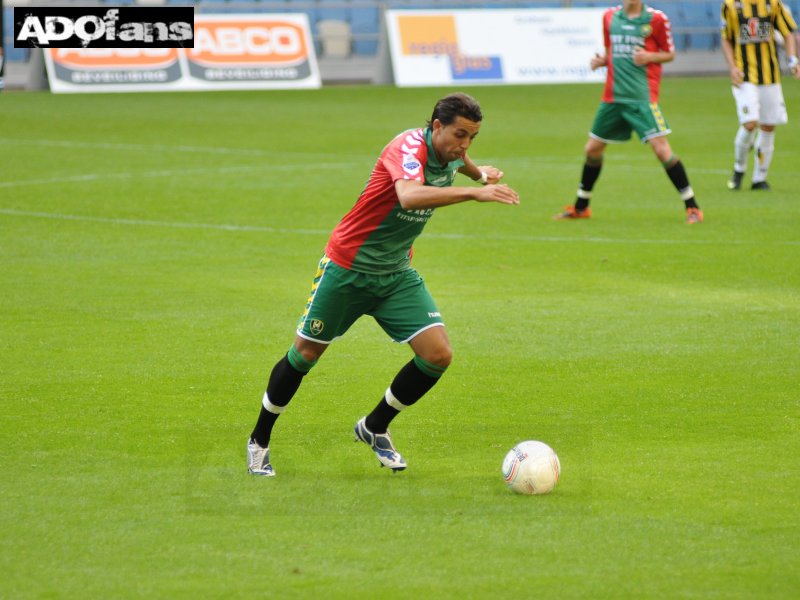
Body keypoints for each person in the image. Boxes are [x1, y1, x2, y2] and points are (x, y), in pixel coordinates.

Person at [247, 93, 520, 477]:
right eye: (460, 134)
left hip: (395, 274)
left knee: (437, 355)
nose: (465, 144)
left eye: (472, 137)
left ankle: (374, 426)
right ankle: (259, 441)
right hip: (347, 268)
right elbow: (408, 196)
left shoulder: (454, 151)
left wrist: (479, 173)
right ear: (436, 126)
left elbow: (459, 160)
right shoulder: (406, 146)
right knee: (305, 354)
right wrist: (475, 192)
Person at [555, 0, 703, 224]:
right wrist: (601, 61)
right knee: (592, 149)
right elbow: (611, 53)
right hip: (613, 97)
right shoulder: (609, 17)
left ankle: (692, 207)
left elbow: (669, 54)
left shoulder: (656, 19)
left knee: (662, 150)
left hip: (642, 98)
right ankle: (581, 207)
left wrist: (650, 57)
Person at [721, 0, 799, 191]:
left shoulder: (773, 4)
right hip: (744, 76)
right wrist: (732, 67)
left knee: (768, 126)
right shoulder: (731, 5)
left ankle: (759, 179)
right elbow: (726, 38)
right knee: (750, 123)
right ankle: (739, 169)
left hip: (770, 76)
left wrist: (792, 60)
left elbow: (788, 33)